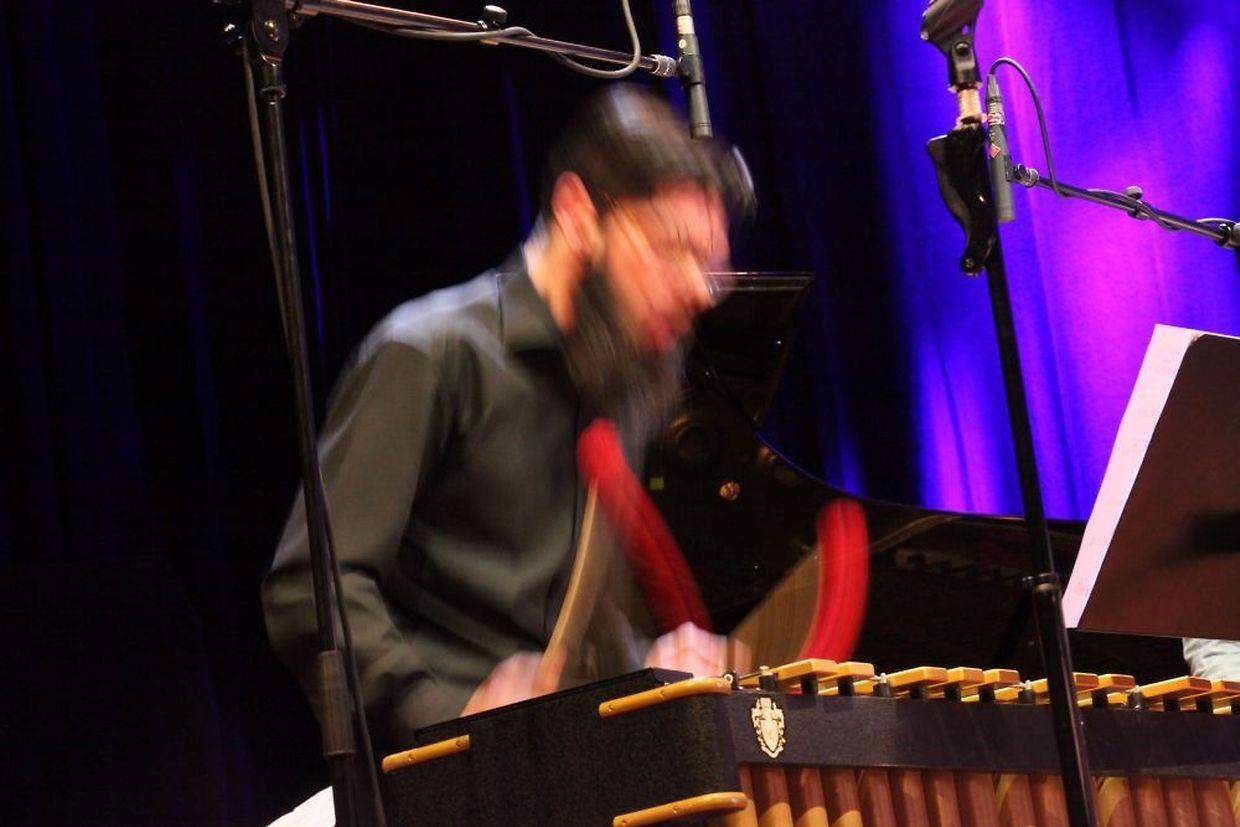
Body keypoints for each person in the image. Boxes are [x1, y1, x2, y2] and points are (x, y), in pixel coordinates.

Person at [262, 83, 755, 759]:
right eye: (672, 248)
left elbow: (569, 638)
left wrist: (652, 668)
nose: (699, 290)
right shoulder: (432, 353)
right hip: (439, 777)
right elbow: (310, 588)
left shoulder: (618, 386)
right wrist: (446, 717)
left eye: (710, 267)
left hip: (564, 767)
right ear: (579, 215)